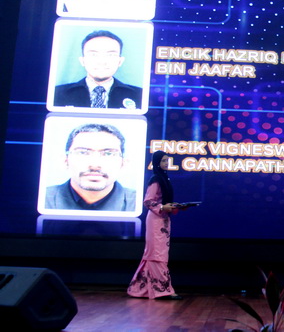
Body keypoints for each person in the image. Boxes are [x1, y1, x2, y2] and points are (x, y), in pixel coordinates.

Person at [128, 151, 187, 300]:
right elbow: (148, 201)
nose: (166, 164)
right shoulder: (156, 179)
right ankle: (164, 290)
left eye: (167, 161)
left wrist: (174, 206)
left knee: (156, 254)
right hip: (155, 220)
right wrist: (162, 207)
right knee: (157, 255)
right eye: (163, 161)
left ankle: (140, 289)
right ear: (157, 163)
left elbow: (164, 201)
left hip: (164, 219)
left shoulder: (164, 178)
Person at [45, 123, 136, 211]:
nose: (95, 165)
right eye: (82, 153)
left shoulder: (139, 203)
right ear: (65, 161)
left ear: (123, 163)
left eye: (108, 154)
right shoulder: (42, 198)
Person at [53, 30, 143, 110]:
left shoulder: (140, 95)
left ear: (120, 61)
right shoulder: (56, 94)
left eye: (110, 55)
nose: (102, 62)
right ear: (82, 61)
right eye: (93, 55)